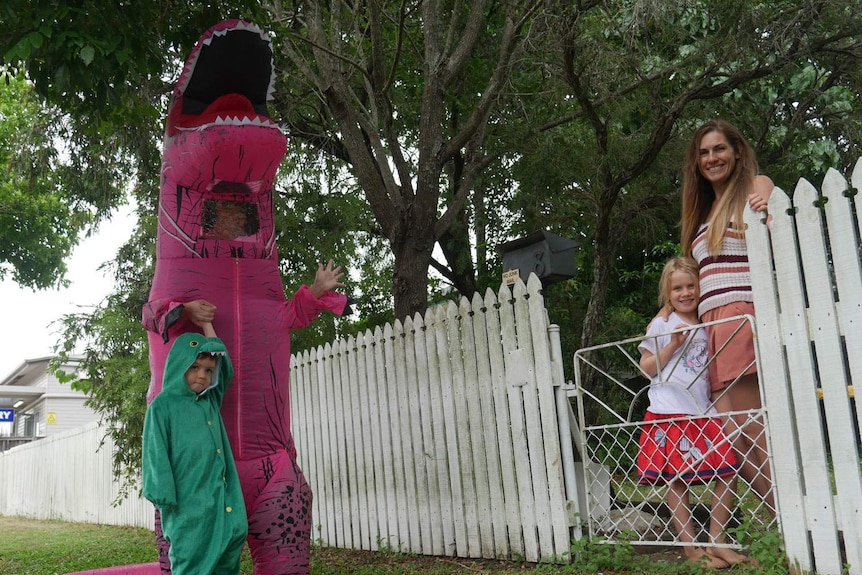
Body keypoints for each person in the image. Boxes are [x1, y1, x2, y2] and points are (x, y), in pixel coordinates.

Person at [676, 119, 775, 511]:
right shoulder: (703, 212)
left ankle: (794, 519)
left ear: (736, 151)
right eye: (703, 152)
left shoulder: (754, 187)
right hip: (711, 329)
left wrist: (768, 209)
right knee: (731, 434)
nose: (711, 158)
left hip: (738, 318)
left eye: (719, 149)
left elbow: (772, 219)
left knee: (749, 427)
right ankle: (783, 516)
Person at [638, 256, 748, 568]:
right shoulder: (662, 324)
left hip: (703, 412)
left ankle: (716, 541)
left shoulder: (706, 320)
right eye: (677, 289)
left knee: (728, 470)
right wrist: (671, 344)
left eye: (690, 286)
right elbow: (646, 368)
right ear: (667, 293)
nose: (685, 293)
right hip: (670, 411)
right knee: (678, 481)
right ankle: (690, 549)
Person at [142, 319, 247, 575]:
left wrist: (208, 325)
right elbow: (155, 454)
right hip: (187, 508)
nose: (202, 374)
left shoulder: (209, 400)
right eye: (195, 367)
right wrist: (167, 499)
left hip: (221, 501)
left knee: (227, 557)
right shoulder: (163, 406)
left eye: (208, 370)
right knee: (191, 561)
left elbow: (225, 369)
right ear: (180, 365)